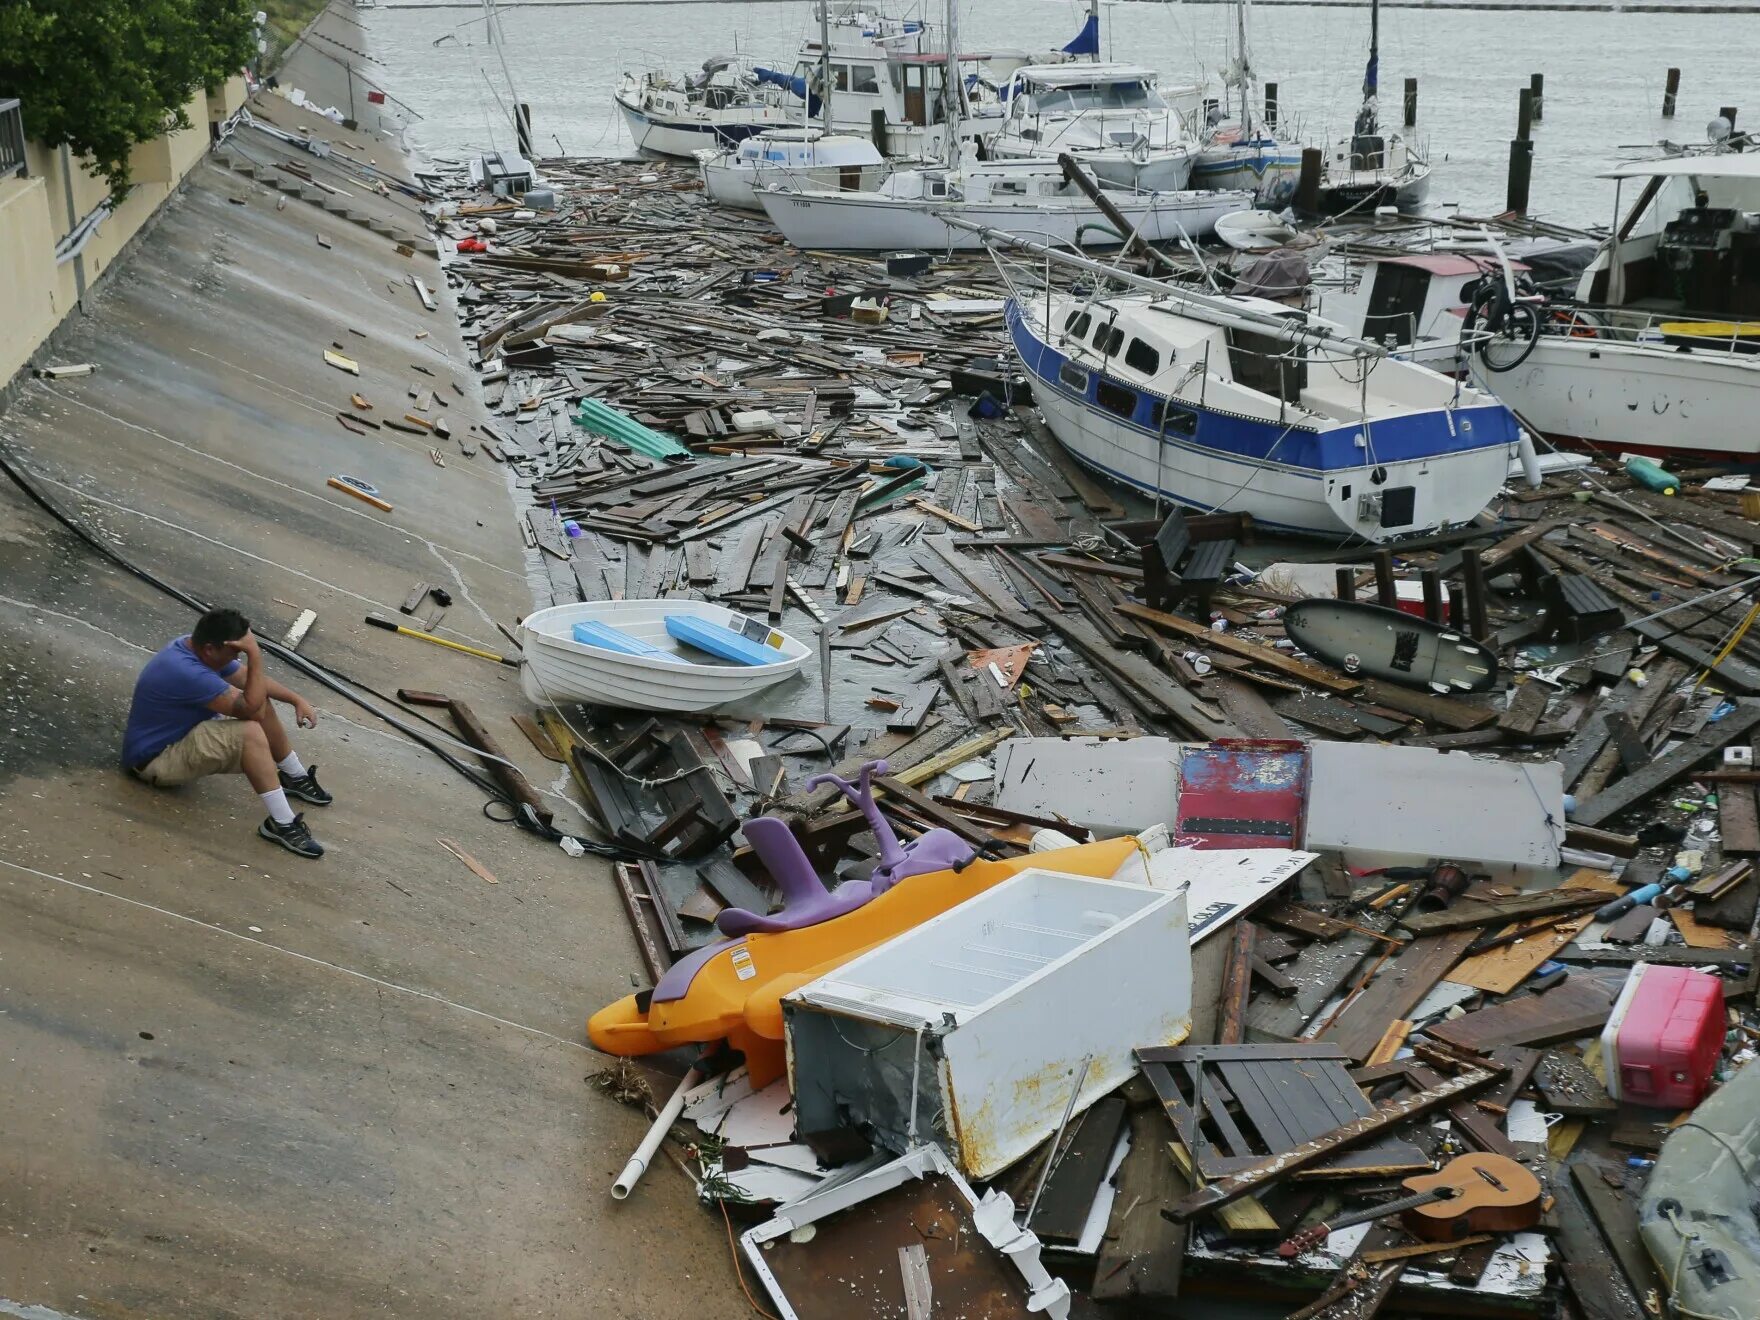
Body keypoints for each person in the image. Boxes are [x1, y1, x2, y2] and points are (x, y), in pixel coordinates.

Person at [122, 608, 333, 858]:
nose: (238, 657)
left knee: (257, 699)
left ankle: (295, 777)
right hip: (154, 762)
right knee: (250, 730)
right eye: (236, 652)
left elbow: (246, 680)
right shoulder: (186, 670)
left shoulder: (196, 648)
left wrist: (295, 699)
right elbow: (251, 710)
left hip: (178, 739)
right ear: (211, 648)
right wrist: (255, 654)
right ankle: (282, 824)